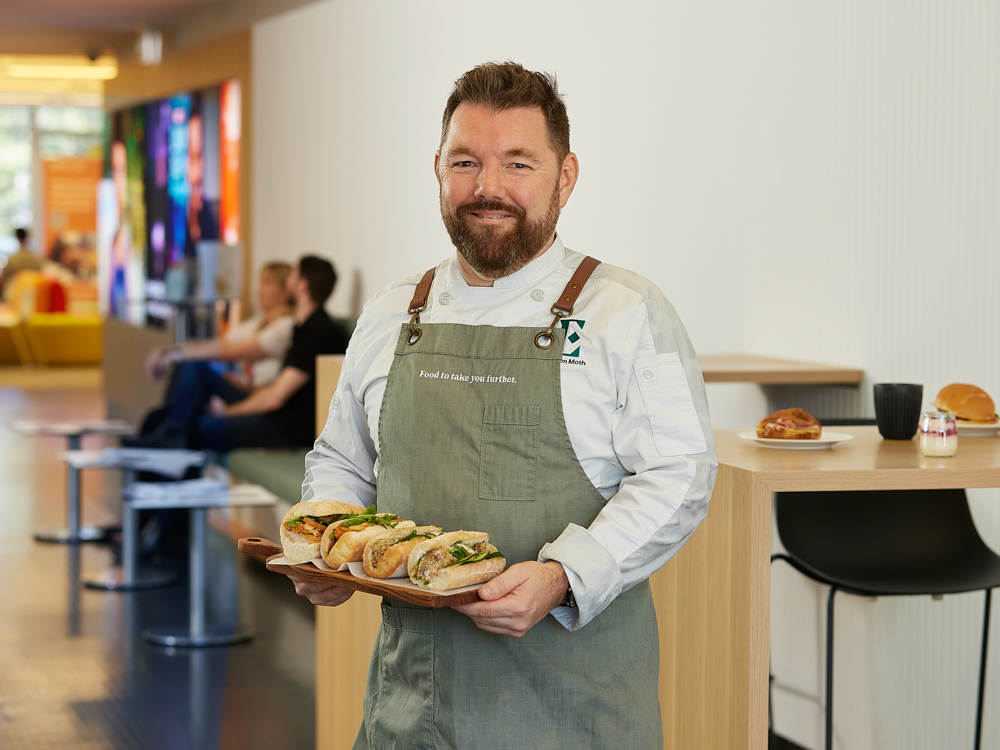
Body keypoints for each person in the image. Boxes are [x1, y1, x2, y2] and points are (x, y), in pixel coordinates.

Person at [294, 62, 718, 748]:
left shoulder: (629, 312)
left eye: (518, 163)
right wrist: (327, 551)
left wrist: (563, 576)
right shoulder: (391, 313)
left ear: (566, 175)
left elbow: (681, 476)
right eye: (466, 162)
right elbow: (343, 458)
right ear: (437, 168)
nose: (487, 188)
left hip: (575, 712)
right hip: (410, 712)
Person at [127, 255, 348, 451]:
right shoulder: (304, 327)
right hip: (275, 414)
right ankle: (171, 429)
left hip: (286, 427)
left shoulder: (317, 331)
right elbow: (275, 388)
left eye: (294, 273)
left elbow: (275, 399)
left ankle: (170, 432)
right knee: (193, 372)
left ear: (302, 286)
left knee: (193, 428)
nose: (289, 275)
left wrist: (227, 413)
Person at [145, 261, 295, 390]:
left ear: (285, 291)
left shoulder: (286, 326)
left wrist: (176, 355)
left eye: (267, 283)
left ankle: (173, 420)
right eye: (260, 283)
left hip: (255, 394)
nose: (259, 290)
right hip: (242, 386)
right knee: (188, 367)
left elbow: (228, 350)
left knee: (195, 368)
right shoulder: (257, 322)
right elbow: (221, 343)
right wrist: (170, 350)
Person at [2, 227, 43, 300]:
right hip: (33, 295)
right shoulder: (37, 259)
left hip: (13, 295)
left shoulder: (12, 260)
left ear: (17, 237)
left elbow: (4, 279)